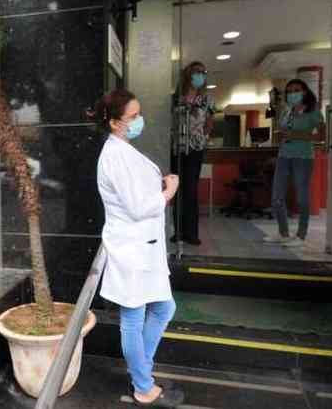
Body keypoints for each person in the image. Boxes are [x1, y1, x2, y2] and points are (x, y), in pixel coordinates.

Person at [95, 89, 184, 407]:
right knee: (134, 318)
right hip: (132, 249)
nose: (139, 121)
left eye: (139, 114)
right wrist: (168, 193)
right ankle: (143, 386)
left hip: (142, 247)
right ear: (116, 122)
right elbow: (135, 206)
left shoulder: (123, 149)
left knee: (163, 308)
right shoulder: (114, 155)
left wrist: (158, 187)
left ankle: (141, 373)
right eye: (133, 117)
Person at [263, 79, 326, 248]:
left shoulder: (313, 112)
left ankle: (301, 235)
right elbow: (282, 132)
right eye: (289, 91)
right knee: (277, 196)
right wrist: (279, 135)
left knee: (302, 196)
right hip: (284, 156)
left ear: (304, 92)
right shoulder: (287, 111)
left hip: (303, 157)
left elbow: (321, 136)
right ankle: (283, 233)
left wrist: (296, 135)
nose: (292, 94)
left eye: (296, 90)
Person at [171, 61, 214, 246]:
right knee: (177, 189)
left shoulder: (207, 99)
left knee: (191, 190)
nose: (200, 75)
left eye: (202, 72)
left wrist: (202, 137)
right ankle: (178, 232)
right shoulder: (175, 97)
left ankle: (192, 233)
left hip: (195, 148)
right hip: (176, 147)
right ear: (187, 74)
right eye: (196, 71)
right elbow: (169, 120)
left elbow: (210, 122)